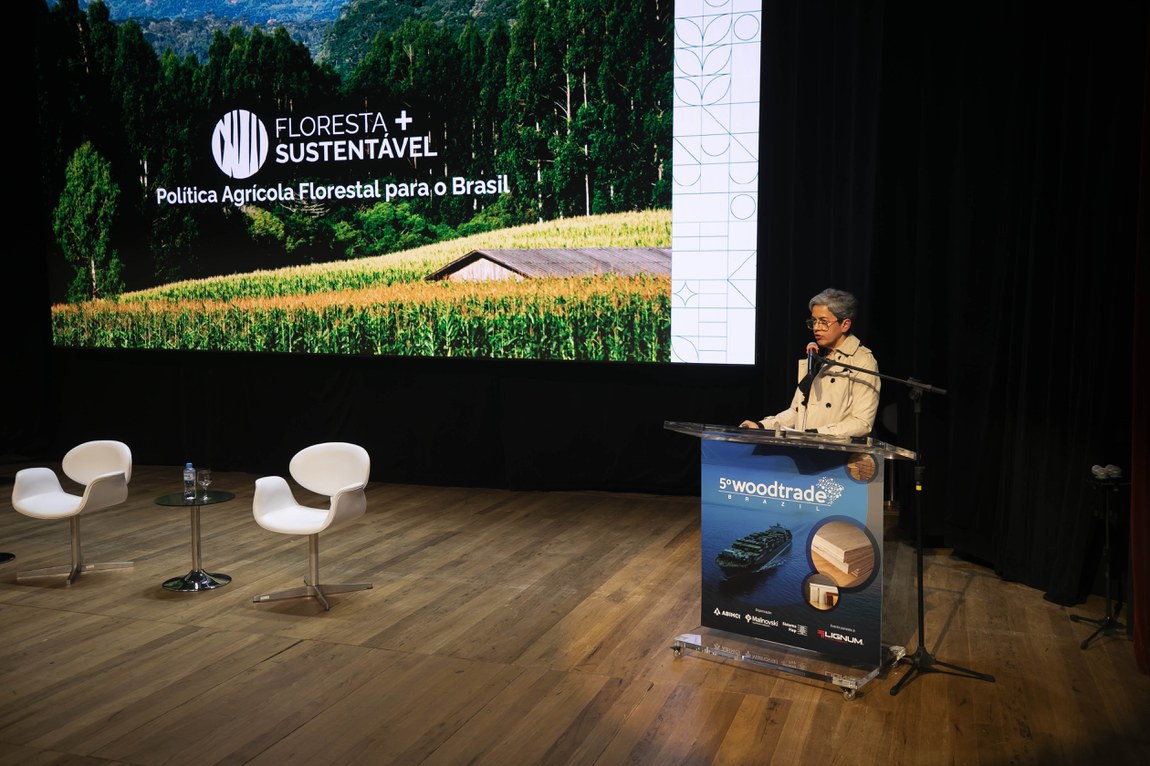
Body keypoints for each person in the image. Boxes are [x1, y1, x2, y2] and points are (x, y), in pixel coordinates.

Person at [740, 288, 879, 437]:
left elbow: (861, 423)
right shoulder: (815, 357)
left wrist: (816, 434)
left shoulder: (862, 360)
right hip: (807, 448)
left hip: (838, 452)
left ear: (845, 325)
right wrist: (761, 426)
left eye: (824, 322)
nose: (816, 328)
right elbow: (797, 412)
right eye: (814, 321)